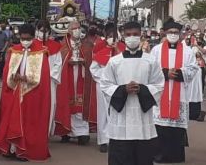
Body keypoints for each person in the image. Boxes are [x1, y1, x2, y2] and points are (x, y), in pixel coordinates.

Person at [100, 21, 164, 165]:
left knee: (143, 157)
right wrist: (123, 90)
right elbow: (105, 85)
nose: (132, 38)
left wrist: (142, 90)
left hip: (142, 118)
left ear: (141, 35)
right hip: (121, 118)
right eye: (128, 35)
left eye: (135, 34)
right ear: (123, 36)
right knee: (120, 156)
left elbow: (159, 85)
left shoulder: (150, 61)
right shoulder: (114, 62)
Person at [0, 24, 51, 161]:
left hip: (31, 91)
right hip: (14, 90)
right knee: (11, 119)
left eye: (28, 38)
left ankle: (23, 150)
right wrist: (14, 76)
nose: (25, 41)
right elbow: (7, 70)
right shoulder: (14, 50)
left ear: (33, 37)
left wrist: (27, 78)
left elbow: (43, 74)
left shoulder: (41, 51)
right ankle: (10, 148)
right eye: (22, 38)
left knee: (28, 121)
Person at [151, 18, 199, 163]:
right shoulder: (156, 50)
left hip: (179, 93)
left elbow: (193, 68)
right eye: (170, 32)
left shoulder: (188, 51)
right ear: (165, 33)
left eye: (176, 32)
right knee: (160, 126)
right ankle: (158, 154)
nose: (173, 34)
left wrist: (177, 73)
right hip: (161, 93)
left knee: (175, 128)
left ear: (180, 34)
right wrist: (166, 73)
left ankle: (175, 155)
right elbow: (150, 69)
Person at [54, 21, 95, 145]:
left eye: (78, 28)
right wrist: (68, 62)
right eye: (74, 28)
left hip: (82, 77)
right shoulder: (63, 45)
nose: (77, 30)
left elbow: (92, 60)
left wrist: (84, 62)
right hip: (68, 77)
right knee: (67, 103)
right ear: (69, 31)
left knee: (80, 105)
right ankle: (66, 131)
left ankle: (82, 132)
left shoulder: (87, 44)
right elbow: (59, 61)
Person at [90, 23, 126, 153]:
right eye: (110, 36)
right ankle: (104, 140)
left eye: (114, 36)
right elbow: (94, 69)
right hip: (103, 86)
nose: (112, 39)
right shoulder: (101, 50)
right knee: (103, 113)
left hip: (119, 86)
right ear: (106, 37)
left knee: (118, 111)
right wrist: (105, 78)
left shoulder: (123, 49)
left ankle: (116, 139)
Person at [33, 20, 63, 135]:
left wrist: (49, 75)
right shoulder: (32, 44)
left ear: (49, 32)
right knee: (35, 105)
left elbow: (58, 63)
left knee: (50, 104)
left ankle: (45, 131)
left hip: (49, 80)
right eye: (41, 31)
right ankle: (34, 130)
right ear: (36, 31)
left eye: (45, 31)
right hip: (34, 80)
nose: (43, 33)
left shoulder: (54, 46)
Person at [188, 39, 206, 121]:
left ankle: (197, 113)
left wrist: (197, 46)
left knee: (196, 90)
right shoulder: (191, 49)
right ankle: (191, 112)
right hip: (191, 71)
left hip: (199, 69)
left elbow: (203, 52)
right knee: (190, 92)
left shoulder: (204, 47)